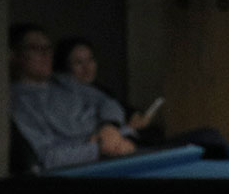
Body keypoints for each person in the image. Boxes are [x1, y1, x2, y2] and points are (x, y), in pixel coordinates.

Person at [7, 24, 135, 171]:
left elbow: (107, 102)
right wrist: (100, 148)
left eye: (48, 48)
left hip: (123, 141)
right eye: (35, 48)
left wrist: (109, 127)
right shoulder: (18, 102)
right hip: (89, 164)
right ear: (14, 56)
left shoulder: (64, 81)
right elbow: (49, 157)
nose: (46, 54)